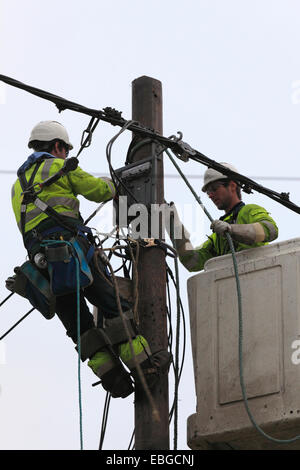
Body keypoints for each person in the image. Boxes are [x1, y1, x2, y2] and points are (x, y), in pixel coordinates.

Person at [11, 120, 170, 398]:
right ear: (58, 146)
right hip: (72, 253)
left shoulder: (16, 187)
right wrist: (113, 184)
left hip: (44, 268)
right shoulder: (58, 166)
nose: (64, 154)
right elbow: (99, 191)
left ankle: (116, 381)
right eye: (64, 150)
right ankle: (146, 368)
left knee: (79, 327)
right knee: (113, 307)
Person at [166, 162, 278, 271]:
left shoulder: (248, 211)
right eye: (208, 192)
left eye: (214, 188)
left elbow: (271, 230)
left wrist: (232, 229)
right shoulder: (218, 236)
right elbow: (192, 262)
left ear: (232, 186)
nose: (210, 195)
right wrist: (174, 227)